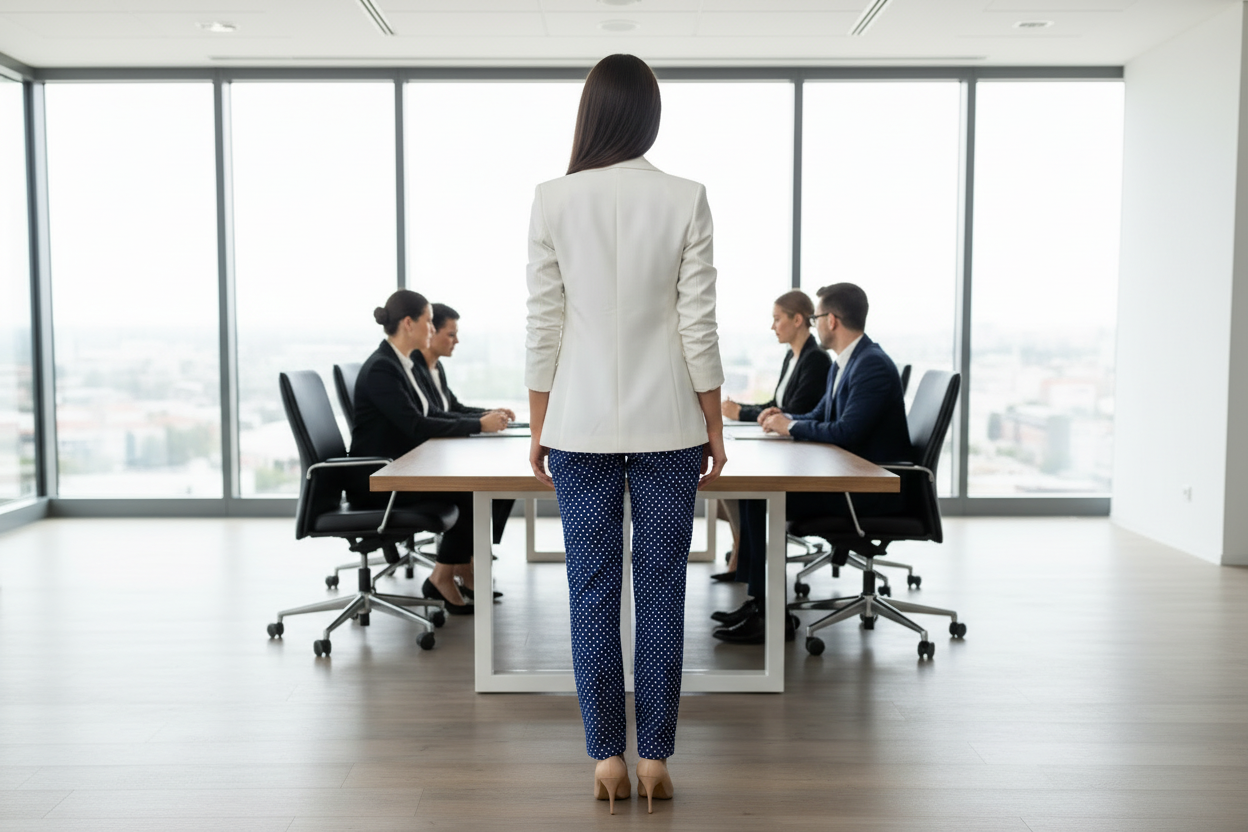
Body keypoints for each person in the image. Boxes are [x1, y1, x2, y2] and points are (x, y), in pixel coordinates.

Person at [525, 54, 726, 814]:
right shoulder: (686, 198)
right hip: (671, 425)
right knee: (664, 592)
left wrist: (539, 426)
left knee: (591, 591)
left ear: (591, 114)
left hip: (577, 427)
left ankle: (606, 758)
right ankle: (655, 760)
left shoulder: (552, 200)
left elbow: (544, 325)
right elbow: (695, 324)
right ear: (649, 115)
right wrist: (713, 422)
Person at [712, 282, 910, 644]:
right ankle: (762, 605)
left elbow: (847, 431)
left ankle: (769, 613)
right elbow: (821, 414)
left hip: (867, 490)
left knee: (760, 496)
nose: (816, 325)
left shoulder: (871, 365)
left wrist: (793, 426)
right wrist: (786, 419)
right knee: (756, 495)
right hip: (847, 478)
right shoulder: (846, 362)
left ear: (831, 320)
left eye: (817, 317)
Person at [346, 289, 510, 615]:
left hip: (402, 467)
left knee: (474, 487)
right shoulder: (383, 369)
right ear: (409, 323)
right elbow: (417, 426)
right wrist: (478, 425)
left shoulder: (402, 364)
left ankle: (455, 569)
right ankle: (443, 576)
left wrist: (480, 420)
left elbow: (435, 414)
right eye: (429, 321)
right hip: (380, 479)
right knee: (469, 490)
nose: (433, 329)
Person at [714, 290, 831, 582]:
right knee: (734, 482)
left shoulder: (815, 360)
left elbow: (793, 412)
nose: (773, 326)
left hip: (801, 456)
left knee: (747, 487)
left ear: (798, 319)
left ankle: (747, 563)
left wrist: (742, 413)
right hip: (788, 445)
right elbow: (776, 407)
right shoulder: (792, 358)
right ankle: (744, 557)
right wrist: (741, 410)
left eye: (777, 319)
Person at [414, 301, 516, 600]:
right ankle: (446, 572)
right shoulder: (413, 369)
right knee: (475, 490)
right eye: (449, 333)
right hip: (415, 462)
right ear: (430, 332)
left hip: (434, 453)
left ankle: (468, 559)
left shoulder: (435, 367)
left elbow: (451, 408)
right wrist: (479, 423)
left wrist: (487, 414)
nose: (456, 341)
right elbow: (429, 417)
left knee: (500, 486)